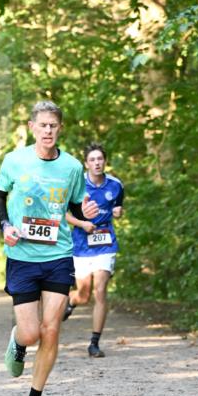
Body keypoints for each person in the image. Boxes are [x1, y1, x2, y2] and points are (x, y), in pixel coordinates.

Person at [0, 100, 99, 396]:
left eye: (53, 125)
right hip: (22, 256)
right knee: (31, 333)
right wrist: (5, 226)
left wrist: (86, 213)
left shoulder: (72, 167)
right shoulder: (14, 160)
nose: (48, 130)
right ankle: (18, 341)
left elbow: (77, 206)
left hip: (58, 255)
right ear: (32, 128)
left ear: (60, 128)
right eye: (43, 125)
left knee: (51, 328)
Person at [62, 142, 124, 358]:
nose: (97, 163)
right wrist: (82, 224)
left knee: (100, 291)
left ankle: (94, 343)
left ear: (105, 161)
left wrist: (118, 213)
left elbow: (118, 208)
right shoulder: (77, 186)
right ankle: (72, 301)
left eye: (100, 159)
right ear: (86, 164)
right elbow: (63, 214)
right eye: (92, 160)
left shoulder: (116, 185)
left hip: (106, 243)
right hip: (82, 243)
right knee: (84, 294)